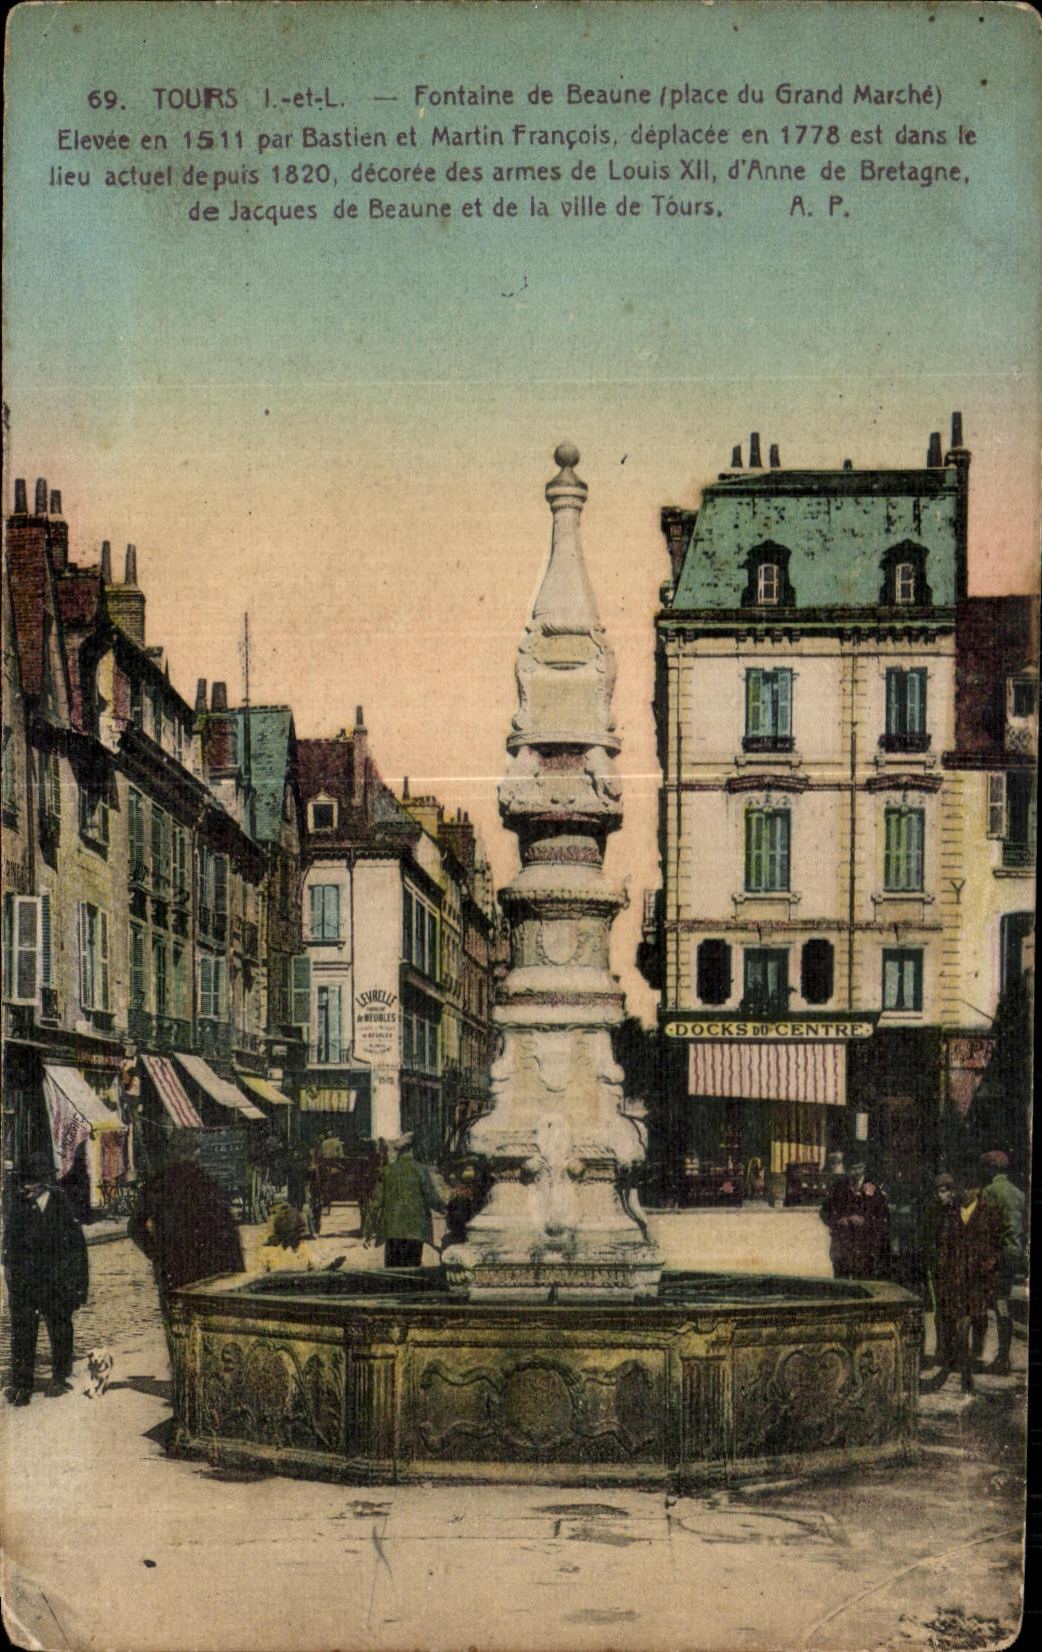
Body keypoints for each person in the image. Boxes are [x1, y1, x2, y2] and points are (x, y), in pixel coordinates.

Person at [128, 1136, 244, 1355]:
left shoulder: (157, 1183)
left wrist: (156, 1254)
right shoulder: (204, 1182)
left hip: (171, 1267)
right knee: (202, 1327)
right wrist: (235, 1268)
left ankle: (182, 1379)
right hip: (205, 1267)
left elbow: (134, 1226)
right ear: (195, 1154)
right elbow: (227, 1231)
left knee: (177, 1326)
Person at [3, 1150, 89, 1405]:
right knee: (22, 1333)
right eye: (25, 1180)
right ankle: (22, 1384)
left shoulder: (62, 1205)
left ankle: (60, 1377)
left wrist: (77, 1287)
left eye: (31, 1181)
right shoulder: (19, 1206)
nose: (26, 1186)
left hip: (56, 1282)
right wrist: (11, 1278)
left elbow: (77, 1249)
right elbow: (9, 1246)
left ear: (44, 1183)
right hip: (26, 1283)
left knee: (60, 1328)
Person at [362, 1133, 445, 1268]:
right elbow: (431, 1198)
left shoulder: (386, 1171)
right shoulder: (421, 1170)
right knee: (413, 1273)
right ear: (412, 1150)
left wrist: (369, 1232)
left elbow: (374, 1204)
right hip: (415, 1231)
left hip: (392, 1231)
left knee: (393, 1274)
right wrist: (445, 1209)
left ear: (399, 1152)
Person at [977, 1149, 1025, 1376]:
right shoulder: (1019, 1193)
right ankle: (1003, 1356)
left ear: (992, 1169)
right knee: (1002, 1300)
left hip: (998, 1255)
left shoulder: (990, 1191)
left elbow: (986, 1229)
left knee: (997, 1302)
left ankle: (1002, 1358)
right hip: (1014, 1254)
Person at [819, 1159, 891, 1279]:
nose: (856, 1172)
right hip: (842, 1244)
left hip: (864, 1246)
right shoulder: (838, 1187)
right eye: (852, 1169)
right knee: (841, 1283)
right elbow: (824, 1211)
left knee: (864, 1282)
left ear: (864, 1168)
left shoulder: (874, 1188)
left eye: (859, 1168)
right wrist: (838, 1220)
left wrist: (865, 1221)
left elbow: (883, 1216)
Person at [250, 1203, 318, 1273]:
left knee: (284, 1249)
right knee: (298, 1247)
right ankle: (311, 1263)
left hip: (288, 1231)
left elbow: (277, 1230)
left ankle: (268, 1264)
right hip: (294, 1230)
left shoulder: (278, 1216)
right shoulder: (291, 1213)